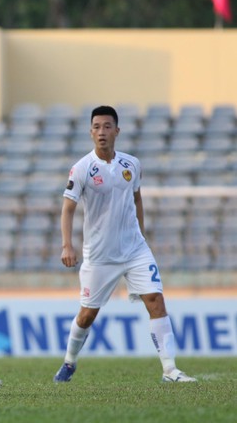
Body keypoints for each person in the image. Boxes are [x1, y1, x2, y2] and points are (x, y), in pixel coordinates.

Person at [53, 105, 197, 383]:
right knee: (87, 315)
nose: (102, 132)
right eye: (96, 127)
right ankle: (69, 362)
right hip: (99, 255)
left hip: (134, 250)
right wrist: (66, 245)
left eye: (107, 126)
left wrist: (140, 233)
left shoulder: (131, 164)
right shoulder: (82, 168)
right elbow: (68, 207)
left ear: (117, 131)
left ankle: (170, 370)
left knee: (155, 300)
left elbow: (137, 197)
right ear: (90, 132)